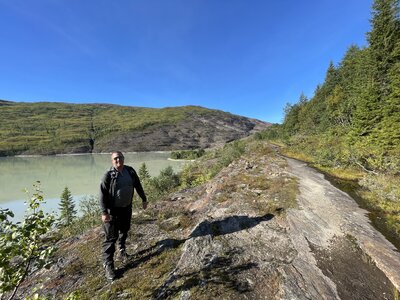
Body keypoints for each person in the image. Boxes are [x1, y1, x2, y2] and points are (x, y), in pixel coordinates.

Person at [99, 151, 148, 280]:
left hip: (126, 208)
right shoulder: (108, 175)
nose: (118, 160)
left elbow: (137, 185)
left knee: (124, 230)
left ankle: (122, 249)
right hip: (112, 211)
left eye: (120, 157)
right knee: (110, 238)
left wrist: (144, 199)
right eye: (115, 158)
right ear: (112, 161)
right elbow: (102, 194)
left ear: (123, 159)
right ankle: (108, 265)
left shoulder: (130, 171)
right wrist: (104, 212)